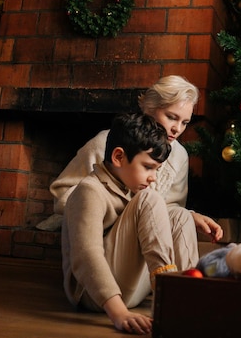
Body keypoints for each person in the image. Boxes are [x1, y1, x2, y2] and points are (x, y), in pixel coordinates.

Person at [49, 75, 223, 270]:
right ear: (149, 109)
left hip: (147, 247)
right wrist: (113, 209)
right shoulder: (106, 142)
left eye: (185, 122)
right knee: (147, 200)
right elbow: (62, 194)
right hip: (106, 248)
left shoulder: (179, 155)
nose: (177, 128)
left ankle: (183, 287)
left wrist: (190, 216)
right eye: (171, 117)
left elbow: (169, 211)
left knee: (182, 215)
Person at [62, 112, 174, 334]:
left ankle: (186, 297)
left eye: (157, 170)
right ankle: (170, 296)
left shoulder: (129, 187)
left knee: (180, 216)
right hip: (95, 296)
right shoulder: (89, 191)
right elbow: (86, 255)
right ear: (119, 157)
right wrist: (118, 313)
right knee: (150, 198)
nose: (153, 177)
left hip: (128, 288)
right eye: (148, 167)